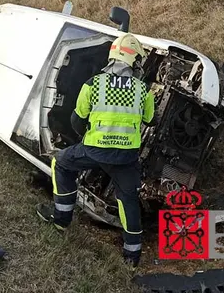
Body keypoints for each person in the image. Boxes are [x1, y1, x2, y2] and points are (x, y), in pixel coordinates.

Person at [36, 33, 155, 268]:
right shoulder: (143, 90)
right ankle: (132, 257)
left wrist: (88, 136)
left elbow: (77, 119)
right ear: (134, 61)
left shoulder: (93, 84)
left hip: (94, 151)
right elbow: (150, 120)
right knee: (128, 200)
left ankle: (61, 219)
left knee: (61, 163)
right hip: (126, 157)